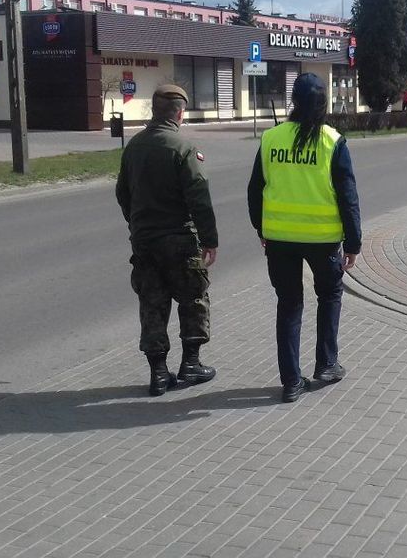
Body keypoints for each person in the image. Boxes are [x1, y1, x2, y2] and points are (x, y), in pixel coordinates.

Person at [247, 73, 362, 403]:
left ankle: (291, 382)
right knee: (329, 297)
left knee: (289, 304)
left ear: (293, 102)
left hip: (280, 239)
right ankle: (326, 364)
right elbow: (347, 196)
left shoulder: (271, 139)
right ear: (323, 103)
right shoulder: (332, 142)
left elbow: (255, 190)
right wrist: (353, 243)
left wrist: (262, 229)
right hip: (323, 240)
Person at [116, 84, 219, 397]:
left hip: (145, 242)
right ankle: (191, 364)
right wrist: (209, 239)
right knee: (193, 300)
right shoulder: (183, 147)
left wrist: (138, 223)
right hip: (180, 241)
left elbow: (123, 193)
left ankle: (158, 374)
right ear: (180, 113)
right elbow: (198, 197)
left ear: (155, 111)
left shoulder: (134, 147)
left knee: (153, 305)